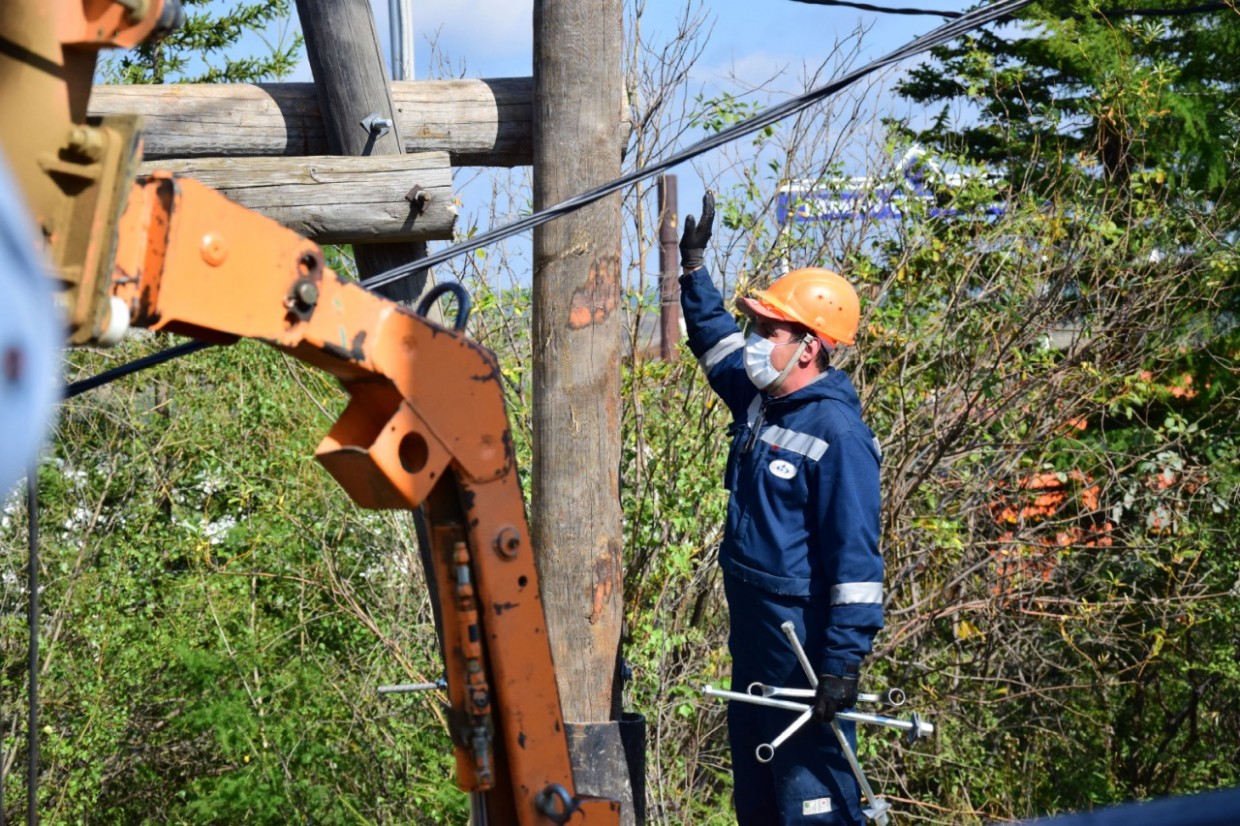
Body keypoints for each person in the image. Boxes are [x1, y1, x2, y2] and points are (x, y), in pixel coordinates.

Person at [678, 192, 884, 825]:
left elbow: (855, 567)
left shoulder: (838, 436)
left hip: (804, 652)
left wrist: (841, 667)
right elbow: (715, 348)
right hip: (756, 642)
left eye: (769, 331)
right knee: (761, 808)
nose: (754, 342)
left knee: (811, 810)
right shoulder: (764, 403)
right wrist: (692, 272)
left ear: (811, 347)